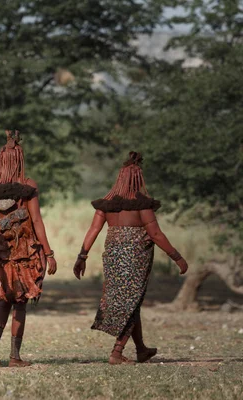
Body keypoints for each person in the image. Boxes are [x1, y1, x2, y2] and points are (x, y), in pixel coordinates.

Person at [73, 151, 189, 365]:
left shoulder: (107, 205)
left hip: (113, 256)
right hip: (135, 258)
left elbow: (93, 230)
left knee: (129, 301)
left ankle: (141, 349)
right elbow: (155, 234)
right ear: (138, 179)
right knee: (132, 302)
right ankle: (117, 352)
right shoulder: (141, 204)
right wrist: (177, 257)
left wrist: (82, 256)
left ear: (120, 178)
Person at [0, 130, 57, 367]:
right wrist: (49, 253)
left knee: (4, 299)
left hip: (2, 250)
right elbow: (37, 221)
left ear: (2, 159)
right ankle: (14, 356)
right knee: (19, 302)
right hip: (25, 251)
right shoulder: (28, 185)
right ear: (20, 159)